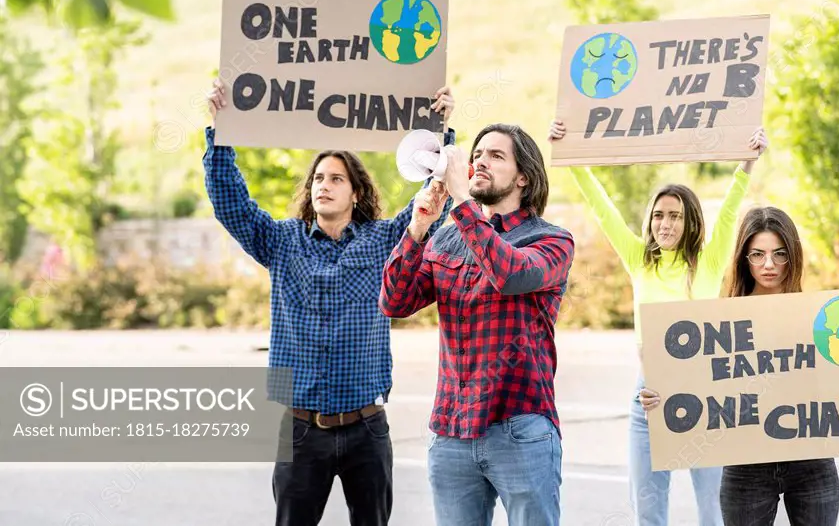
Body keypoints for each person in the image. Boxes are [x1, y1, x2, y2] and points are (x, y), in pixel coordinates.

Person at [204, 76, 457, 526]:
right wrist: (219, 131)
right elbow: (232, 205)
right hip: (299, 429)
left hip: (367, 428)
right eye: (319, 177)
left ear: (355, 191)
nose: (324, 184)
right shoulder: (280, 241)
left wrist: (440, 135)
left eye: (336, 178)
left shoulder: (383, 241)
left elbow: (432, 205)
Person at [548, 118, 767, 526]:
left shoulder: (709, 261)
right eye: (659, 216)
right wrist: (571, 153)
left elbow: (731, 206)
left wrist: (748, 162)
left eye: (676, 216)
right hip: (647, 399)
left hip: (706, 399)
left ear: (690, 223)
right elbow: (602, 208)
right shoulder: (640, 261)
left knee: (713, 510)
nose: (665, 224)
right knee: (648, 513)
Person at [637, 205, 839, 526]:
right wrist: (660, 397)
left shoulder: (819, 317)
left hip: (812, 462)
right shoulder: (716, 321)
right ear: (743, 258)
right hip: (746, 468)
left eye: (780, 254)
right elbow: (694, 384)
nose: (769, 265)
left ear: (793, 255)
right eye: (757, 255)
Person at [379, 123, 574, 526]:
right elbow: (395, 303)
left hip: (520, 427)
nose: (480, 162)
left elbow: (510, 274)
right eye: (478, 155)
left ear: (524, 177)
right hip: (451, 429)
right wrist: (417, 228)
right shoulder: (445, 239)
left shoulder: (551, 240)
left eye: (496, 156)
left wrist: (463, 202)